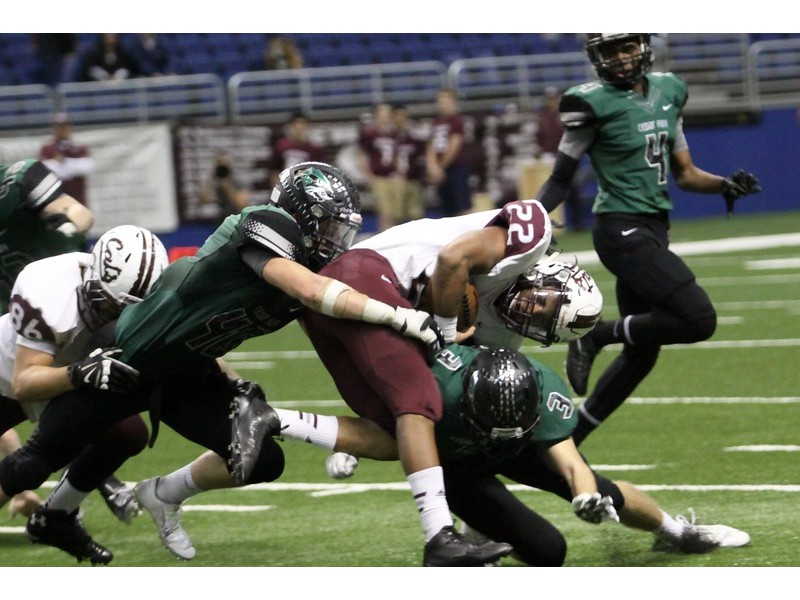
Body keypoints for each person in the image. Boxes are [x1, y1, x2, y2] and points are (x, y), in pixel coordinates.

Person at [0, 162, 446, 564]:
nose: (335, 238)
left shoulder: (306, 264)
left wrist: (337, 435)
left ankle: (161, 494)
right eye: (327, 224)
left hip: (189, 371)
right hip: (127, 357)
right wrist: (398, 315)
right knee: (29, 465)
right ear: (301, 213)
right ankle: (54, 517)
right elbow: (312, 293)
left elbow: (312, 334)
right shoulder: (265, 226)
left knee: (261, 461)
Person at [130, 197, 566, 565]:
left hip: (344, 303)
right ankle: (439, 538)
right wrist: (440, 334)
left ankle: (262, 425)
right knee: (421, 402)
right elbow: (447, 264)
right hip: (361, 282)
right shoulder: (527, 237)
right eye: (551, 309)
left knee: (399, 431)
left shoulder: (499, 318)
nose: (539, 315)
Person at [325, 345, 751, 566]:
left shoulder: (542, 392)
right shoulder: (438, 387)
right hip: (459, 461)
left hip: (517, 445)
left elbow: (570, 462)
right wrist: (348, 446)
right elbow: (389, 417)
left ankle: (677, 533)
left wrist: (585, 496)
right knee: (549, 552)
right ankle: (478, 528)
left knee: (605, 491)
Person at [534, 33, 761, 444]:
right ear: (596, 57)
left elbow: (686, 174)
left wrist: (724, 185)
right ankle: (597, 335)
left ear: (643, 46)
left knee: (641, 353)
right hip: (621, 229)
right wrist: (528, 219)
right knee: (698, 319)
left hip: (653, 228)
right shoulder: (591, 104)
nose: (620, 58)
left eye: (626, 47)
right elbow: (559, 180)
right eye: (609, 51)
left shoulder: (668, 91)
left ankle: (568, 441)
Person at [0, 225, 169, 564]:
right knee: (23, 470)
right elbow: (25, 383)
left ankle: (56, 517)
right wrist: (80, 373)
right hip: (6, 379)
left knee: (127, 434)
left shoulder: (135, 296)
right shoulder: (48, 288)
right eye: (111, 306)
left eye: (127, 310)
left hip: (71, 377)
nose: (116, 317)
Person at [534, 86, 589, 231]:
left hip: (569, 156)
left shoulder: (566, 114)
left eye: (554, 98)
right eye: (550, 99)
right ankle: (547, 225)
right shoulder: (543, 117)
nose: (552, 102)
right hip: (550, 158)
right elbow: (539, 138)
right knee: (554, 189)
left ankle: (578, 224)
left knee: (574, 190)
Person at [426, 87, 472, 217]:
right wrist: (432, 166)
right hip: (441, 170)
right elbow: (431, 145)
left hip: (456, 167)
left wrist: (440, 167)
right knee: (447, 207)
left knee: (462, 206)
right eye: (439, 100)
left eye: (445, 99)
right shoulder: (436, 122)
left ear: (453, 101)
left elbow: (454, 145)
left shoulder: (457, 121)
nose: (442, 103)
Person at [357, 102, 400, 232]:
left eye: (387, 113)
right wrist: (369, 175)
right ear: (376, 115)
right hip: (378, 176)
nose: (385, 116)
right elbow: (361, 155)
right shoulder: (369, 133)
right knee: (385, 213)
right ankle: (384, 240)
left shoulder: (392, 132)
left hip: (392, 177)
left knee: (395, 213)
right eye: (382, 113)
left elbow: (396, 155)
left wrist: (399, 172)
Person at [39, 112, 95, 208]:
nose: (62, 130)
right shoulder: (48, 148)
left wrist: (65, 162)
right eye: (59, 127)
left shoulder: (79, 147)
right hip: (55, 201)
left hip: (77, 200)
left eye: (64, 126)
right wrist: (71, 167)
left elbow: (87, 167)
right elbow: (44, 169)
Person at [269, 112, 325, 187]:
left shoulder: (313, 149)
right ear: (291, 126)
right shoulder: (281, 146)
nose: (299, 128)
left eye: (302, 124)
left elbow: (317, 173)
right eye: (296, 125)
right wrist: (276, 193)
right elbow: (275, 170)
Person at [393, 104, 427, 224]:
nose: (400, 118)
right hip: (396, 180)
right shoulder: (390, 136)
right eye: (397, 115)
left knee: (416, 213)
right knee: (397, 214)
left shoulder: (414, 135)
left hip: (414, 178)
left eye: (403, 116)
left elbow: (423, 153)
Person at [197, 151, 251, 225]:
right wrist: (211, 177)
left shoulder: (239, 182)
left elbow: (241, 204)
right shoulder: (215, 182)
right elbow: (203, 200)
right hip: (221, 221)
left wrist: (228, 186)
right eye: (220, 163)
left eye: (226, 163)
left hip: (237, 222)